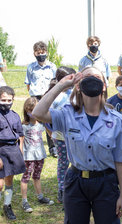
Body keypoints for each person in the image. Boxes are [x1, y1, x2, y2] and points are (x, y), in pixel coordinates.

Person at [32, 67, 122, 224]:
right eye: (86, 77)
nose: (92, 79)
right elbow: (38, 113)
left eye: (97, 77)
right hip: (76, 181)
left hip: (106, 182)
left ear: (104, 85)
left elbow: (120, 161)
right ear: (78, 85)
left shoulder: (117, 120)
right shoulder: (67, 114)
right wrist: (61, 86)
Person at [47, 66, 76, 203]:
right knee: (63, 163)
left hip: (75, 136)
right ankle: (62, 189)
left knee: (76, 163)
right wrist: (51, 132)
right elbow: (46, 117)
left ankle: (74, 188)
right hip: (60, 137)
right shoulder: (54, 96)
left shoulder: (75, 93)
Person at [20, 97, 54, 213]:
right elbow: (21, 142)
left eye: (35, 110)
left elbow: (51, 135)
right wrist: (21, 155)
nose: (32, 113)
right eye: (30, 111)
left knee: (37, 176)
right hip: (28, 156)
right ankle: (24, 201)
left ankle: (40, 196)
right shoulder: (24, 126)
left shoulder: (42, 125)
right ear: (26, 111)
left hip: (40, 155)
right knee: (26, 177)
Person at [25, 41, 57, 158]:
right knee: (34, 121)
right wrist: (33, 96)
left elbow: (55, 83)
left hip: (48, 97)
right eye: (38, 53)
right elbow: (28, 83)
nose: (41, 55)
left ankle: (53, 148)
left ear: (46, 53)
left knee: (49, 122)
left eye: (43, 52)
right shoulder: (31, 67)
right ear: (34, 54)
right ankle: (32, 148)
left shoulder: (52, 66)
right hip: (35, 97)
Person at [0, 86, 26, 220]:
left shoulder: (15, 115)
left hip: (13, 150)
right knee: (0, 183)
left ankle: (7, 205)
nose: (6, 103)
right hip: (1, 149)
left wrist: (20, 149)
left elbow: (21, 135)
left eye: (9, 100)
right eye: (3, 100)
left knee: (9, 179)